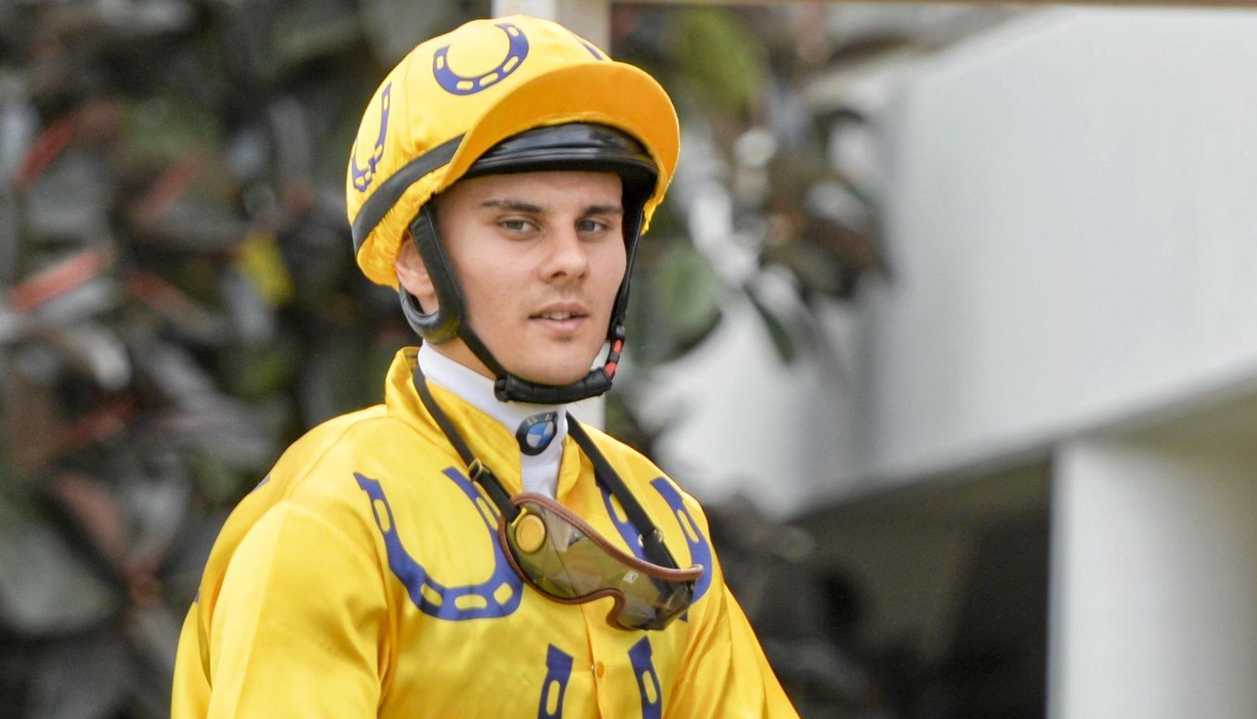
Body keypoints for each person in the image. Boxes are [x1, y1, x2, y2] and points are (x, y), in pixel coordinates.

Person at [172, 15, 796, 718]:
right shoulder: (330, 517)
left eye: (594, 223)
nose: (571, 260)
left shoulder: (663, 520)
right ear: (414, 257)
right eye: (519, 223)